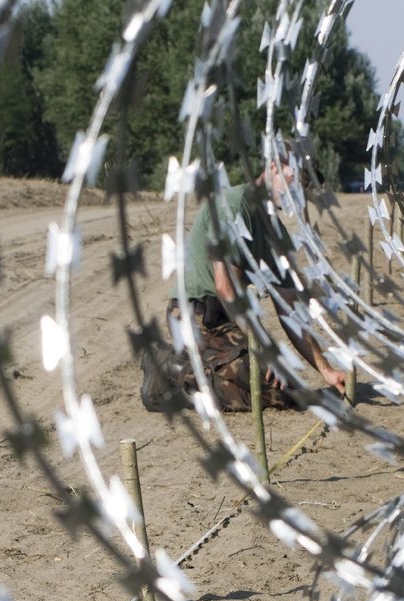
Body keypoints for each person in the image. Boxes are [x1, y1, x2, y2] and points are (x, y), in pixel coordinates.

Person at [142, 159, 350, 413]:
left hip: (227, 320)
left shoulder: (276, 234)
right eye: (295, 181)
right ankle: (172, 371)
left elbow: (289, 309)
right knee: (269, 385)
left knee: (288, 386)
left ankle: (203, 367)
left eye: (303, 188)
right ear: (273, 166)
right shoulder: (233, 206)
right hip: (195, 315)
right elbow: (225, 287)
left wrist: (326, 371)